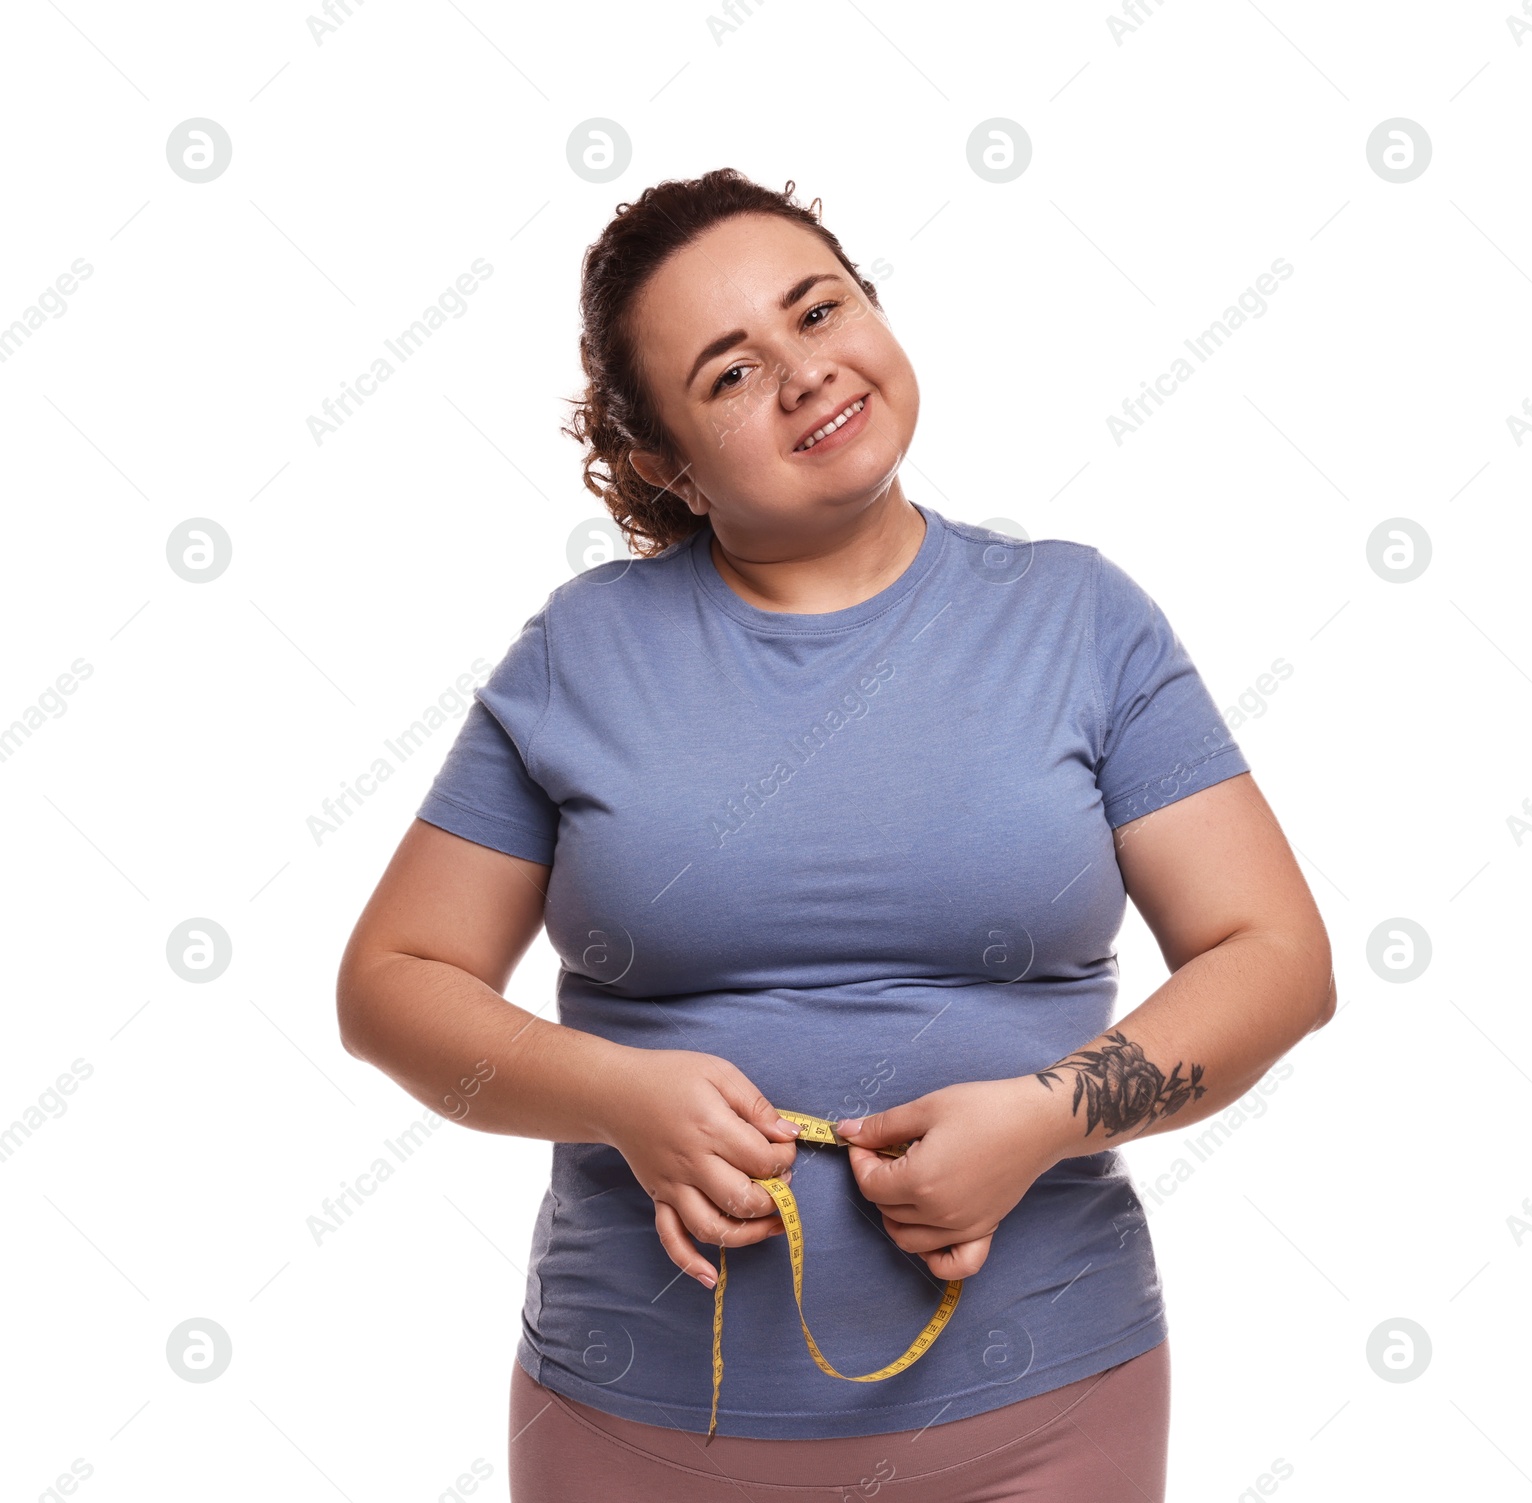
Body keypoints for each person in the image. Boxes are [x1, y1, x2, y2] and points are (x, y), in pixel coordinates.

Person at [336, 168, 1336, 1502]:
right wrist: (617, 1096)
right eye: (730, 374)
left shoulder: (1080, 618)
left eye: (819, 310)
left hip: (1043, 1419)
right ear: (662, 466)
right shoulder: (583, 655)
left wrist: (1047, 1120)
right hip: (632, 1428)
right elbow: (390, 986)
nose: (806, 372)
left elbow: (1278, 957)